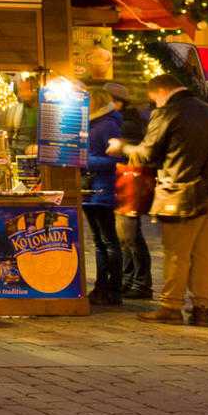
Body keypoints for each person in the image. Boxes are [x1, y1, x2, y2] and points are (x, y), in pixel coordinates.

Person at [109, 72, 208, 326]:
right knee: (205, 254)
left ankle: (171, 306)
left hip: (182, 190)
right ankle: (202, 308)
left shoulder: (168, 112)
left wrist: (123, 147)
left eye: (154, 100)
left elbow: (147, 153)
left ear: (161, 92)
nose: (155, 104)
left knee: (177, 252)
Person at [83, 82, 131, 306]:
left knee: (108, 240)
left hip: (103, 188)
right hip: (91, 189)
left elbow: (116, 160)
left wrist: (84, 161)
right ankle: (102, 286)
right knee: (99, 241)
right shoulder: (92, 124)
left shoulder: (106, 126)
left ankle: (113, 288)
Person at [113, 89, 154, 299]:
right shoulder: (128, 121)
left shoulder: (125, 124)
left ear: (118, 103)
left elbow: (127, 154)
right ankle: (132, 279)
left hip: (127, 184)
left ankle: (140, 282)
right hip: (125, 184)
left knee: (130, 237)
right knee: (127, 237)